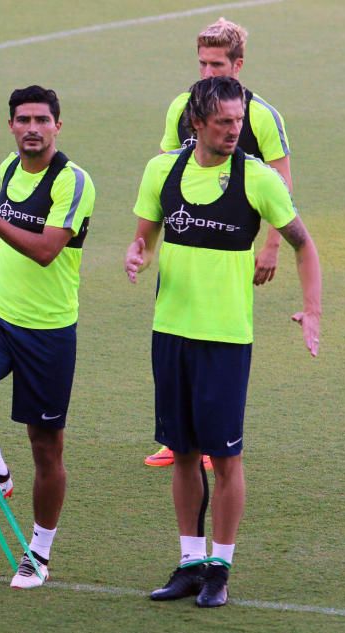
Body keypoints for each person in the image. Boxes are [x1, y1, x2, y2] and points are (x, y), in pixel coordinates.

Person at [125, 76, 321, 607]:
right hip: (170, 332)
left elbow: (305, 245)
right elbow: (145, 234)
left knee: (225, 458)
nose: (235, 130)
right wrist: (137, 253)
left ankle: (220, 568)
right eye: (224, 122)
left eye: (238, 120)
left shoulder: (256, 179)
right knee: (183, 452)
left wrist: (312, 310)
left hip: (226, 339)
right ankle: (190, 563)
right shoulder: (161, 171)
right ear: (197, 123)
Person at [0, 85, 95, 589]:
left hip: (49, 330)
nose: (32, 128)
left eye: (41, 119)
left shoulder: (74, 183)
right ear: (11, 126)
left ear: (59, 125)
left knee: (46, 447)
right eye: (22, 120)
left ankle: (39, 551)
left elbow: (45, 251)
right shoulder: (10, 168)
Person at [146, 17, 294, 469]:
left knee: (219, 338)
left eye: (216, 64)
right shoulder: (181, 107)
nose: (207, 72)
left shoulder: (261, 115)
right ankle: (177, 439)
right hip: (184, 245)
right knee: (173, 335)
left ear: (238, 65)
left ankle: (215, 441)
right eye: (202, 63)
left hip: (232, 246)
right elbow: (167, 167)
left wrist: (270, 247)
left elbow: (282, 184)